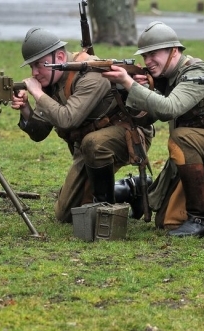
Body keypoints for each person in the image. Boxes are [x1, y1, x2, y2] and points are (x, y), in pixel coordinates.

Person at [102, 21, 204, 237]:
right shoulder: (166, 79)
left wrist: (132, 86)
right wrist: (133, 88)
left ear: (174, 51)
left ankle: (200, 220)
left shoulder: (197, 71)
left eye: (153, 54)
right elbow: (144, 120)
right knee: (167, 221)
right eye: (145, 56)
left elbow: (170, 108)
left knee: (181, 137)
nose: (148, 61)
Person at [12, 27, 154, 223]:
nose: (34, 73)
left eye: (38, 65)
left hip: (128, 135)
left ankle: (106, 210)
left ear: (60, 56)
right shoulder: (52, 81)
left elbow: (67, 119)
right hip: (90, 146)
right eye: (31, 67)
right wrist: (25, 108)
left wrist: (38, 94)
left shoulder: (91, 74)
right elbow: (39, 133)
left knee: (93, 143)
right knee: (65, 214)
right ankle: (130, 188)